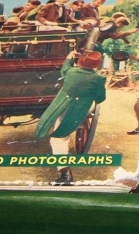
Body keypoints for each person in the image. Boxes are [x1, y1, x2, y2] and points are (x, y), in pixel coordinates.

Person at [35, 49, 108, 184]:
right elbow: (100, 98)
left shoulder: (70, 72)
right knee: (62, 135)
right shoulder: (99, 78)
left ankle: (65, 174)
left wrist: (69, 56)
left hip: (65, 107)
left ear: (80, 61)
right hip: (82, 109)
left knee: (58, 140)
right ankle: (65, 174)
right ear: (96, 65)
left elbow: (64, 69)